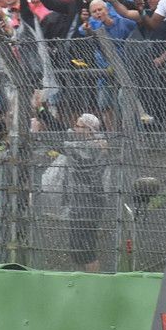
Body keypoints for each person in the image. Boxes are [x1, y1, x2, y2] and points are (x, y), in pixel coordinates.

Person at [64, 112, 108, 273]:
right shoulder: (82, 144)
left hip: (90, 202)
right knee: (75, 247)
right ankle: (81, 277)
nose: (74, 129)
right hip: (78, 202)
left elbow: (72, 150)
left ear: (89, 130)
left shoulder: (93, 147)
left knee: (87, 247)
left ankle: (93, 281)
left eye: (79, 126)